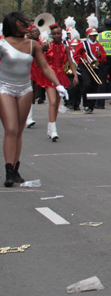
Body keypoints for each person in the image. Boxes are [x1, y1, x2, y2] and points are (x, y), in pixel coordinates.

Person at [2, 13, 69, 187]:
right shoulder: (2, 43)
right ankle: (8, 170)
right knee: (10, 128)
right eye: (22, 22)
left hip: (25, 89)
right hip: (4, 88)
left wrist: (58, 85)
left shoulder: (33, 45)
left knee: (19, 130)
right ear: (12, 24)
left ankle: (16, 168)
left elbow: (45, 67)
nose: (27, 25)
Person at [32, 24, 78, 141]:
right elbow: (38, 59)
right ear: (51, 35)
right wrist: (43, 48)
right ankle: (53, 130)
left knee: (57, 103)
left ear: (61, 34)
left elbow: (70, 62)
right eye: (54, 34)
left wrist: (75, 74)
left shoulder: (65, 47)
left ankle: (51, 125)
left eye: (58, 33)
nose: (57, 35)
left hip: (61, 76)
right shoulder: (47, 46)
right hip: (49, 76)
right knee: (52, 101)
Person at [74, 28, 106, 114]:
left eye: (95, 35)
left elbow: (103, 58)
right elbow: (76, 54)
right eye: (92, 35)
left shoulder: (99, 45)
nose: (94, 37)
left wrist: (100, 56)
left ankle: (91, 105)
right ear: (89, 35)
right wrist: (82, 59)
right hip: (84, 66)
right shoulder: (83, 44)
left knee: (94, 86)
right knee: (87, 84)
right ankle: (86, 104)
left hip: (95, 67)